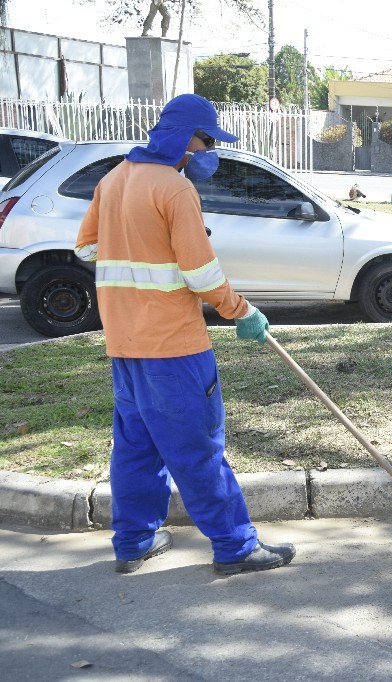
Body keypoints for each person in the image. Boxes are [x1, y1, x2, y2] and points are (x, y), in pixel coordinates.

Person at [74, 94, 296, 576]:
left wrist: (135, 245)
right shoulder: (174, 189)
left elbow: (87, 248)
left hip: (125, 348)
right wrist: (242, 311)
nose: (212, 149)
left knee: (136, 449)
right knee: (197, 448)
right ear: (185, 140)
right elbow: (199, 273)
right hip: (174, 348)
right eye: (208, 139)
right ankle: (236, 547)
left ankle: (133, 541)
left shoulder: (113, 181)